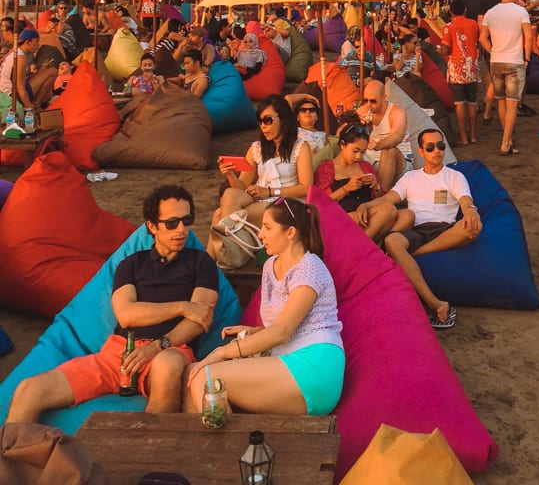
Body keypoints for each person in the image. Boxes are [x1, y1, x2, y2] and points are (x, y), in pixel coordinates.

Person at [6, 185, 218, 423]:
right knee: (29, 390)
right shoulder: (131, 264)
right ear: (151, 226)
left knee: (167, 365)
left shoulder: (202, 263)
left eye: (187, 220)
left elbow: (200, 319)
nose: (181, 229)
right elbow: (127, 315)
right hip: (119, 353)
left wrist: (157, 346)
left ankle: (148, 448)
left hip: (171, 350)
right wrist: (181, 306)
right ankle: (10, 455)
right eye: (171, 223)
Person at [187, 198, 344, 416]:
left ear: (290, 233)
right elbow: (286, 323)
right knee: (194, 378)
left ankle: (226, 449)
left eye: (267, 227)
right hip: (286, 360)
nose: (260, 234)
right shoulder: (271, 265)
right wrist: (254, 332)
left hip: (315, 364)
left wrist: (223, 352)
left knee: (207, 380)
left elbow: (282, 332)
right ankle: (220, 447)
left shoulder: (309, 268)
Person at [357, 128, 481, 329]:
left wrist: (471, 210)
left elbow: (466, 200)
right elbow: (389, 198)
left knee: (471, 228)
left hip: (444, 229)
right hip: (417, 229)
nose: (437, 151)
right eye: (430, 147)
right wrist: (365, 205)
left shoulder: (454, 176)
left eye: (440, 146)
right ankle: (435, 303)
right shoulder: (411, 177)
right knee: (392, 240)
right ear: (421, 151)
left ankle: (405, 256)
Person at [208, 95, 314, 249]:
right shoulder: (256, 148)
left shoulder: (300, 147)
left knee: (219, 215)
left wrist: (270, 192)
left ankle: (218, 259)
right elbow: (242, 187)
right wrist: (230, 175)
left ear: (283, 119)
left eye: (268, 120)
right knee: (230, 193)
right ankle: (226, 254)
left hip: (286, 202)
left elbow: (306, 187)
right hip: (259, 199)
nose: (263, 126)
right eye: (260, 121)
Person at [314, 114, 397, 242]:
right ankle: (364, 245)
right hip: (342, 217)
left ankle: (362, 244)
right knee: (388, 211)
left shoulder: (366, 167)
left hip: (367, 216)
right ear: (342, 145)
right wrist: (346, 188)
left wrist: (376, 188)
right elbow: (321, 203)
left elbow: (379, 199)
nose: (359, 156)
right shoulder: (327, 168)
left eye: (363, 152)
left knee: (406, 216)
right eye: (355, 150)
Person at [479, 0, 532, 157]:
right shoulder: (521, 11)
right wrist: (527, 57)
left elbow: (482, 38)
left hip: (496, 61)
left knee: (500, 100)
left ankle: (508, 140)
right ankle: (505, 142)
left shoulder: (491, 13)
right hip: (514, 61)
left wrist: (492, 50)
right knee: (513, 103)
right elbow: (529, 36)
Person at [441, 0, 480, 145]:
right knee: (471, 102)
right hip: (472, 68)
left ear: (450, 11)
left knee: (459, 103)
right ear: (465, 10)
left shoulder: (448, 27)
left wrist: (440, 50)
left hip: (456, 69)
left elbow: (445, 49)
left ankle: (463, 137)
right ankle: (473, 135)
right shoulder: (474, 24)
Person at [359, 79, 411, 191]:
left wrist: (378, 145)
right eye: (365, 100)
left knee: (388, 150)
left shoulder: (396, 112)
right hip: (372, 162)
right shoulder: (362, 111)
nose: (368, 105)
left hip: (398, 164)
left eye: (373, 101)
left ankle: (380, 195)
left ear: (384, 97)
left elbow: (397, 137)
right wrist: (358, 127)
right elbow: (343, 133)